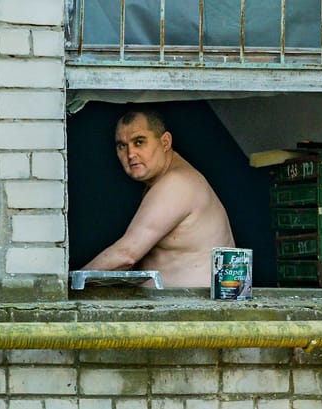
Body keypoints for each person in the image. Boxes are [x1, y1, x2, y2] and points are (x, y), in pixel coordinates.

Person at [81, 107, 233, 289]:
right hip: (178, 309)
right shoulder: (164, 183)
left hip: (194, 312)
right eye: (122, 146)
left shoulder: (177, 183)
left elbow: (126, 255)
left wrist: (67, 286)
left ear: (165, 142)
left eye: (139, 142)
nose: (130, 154)